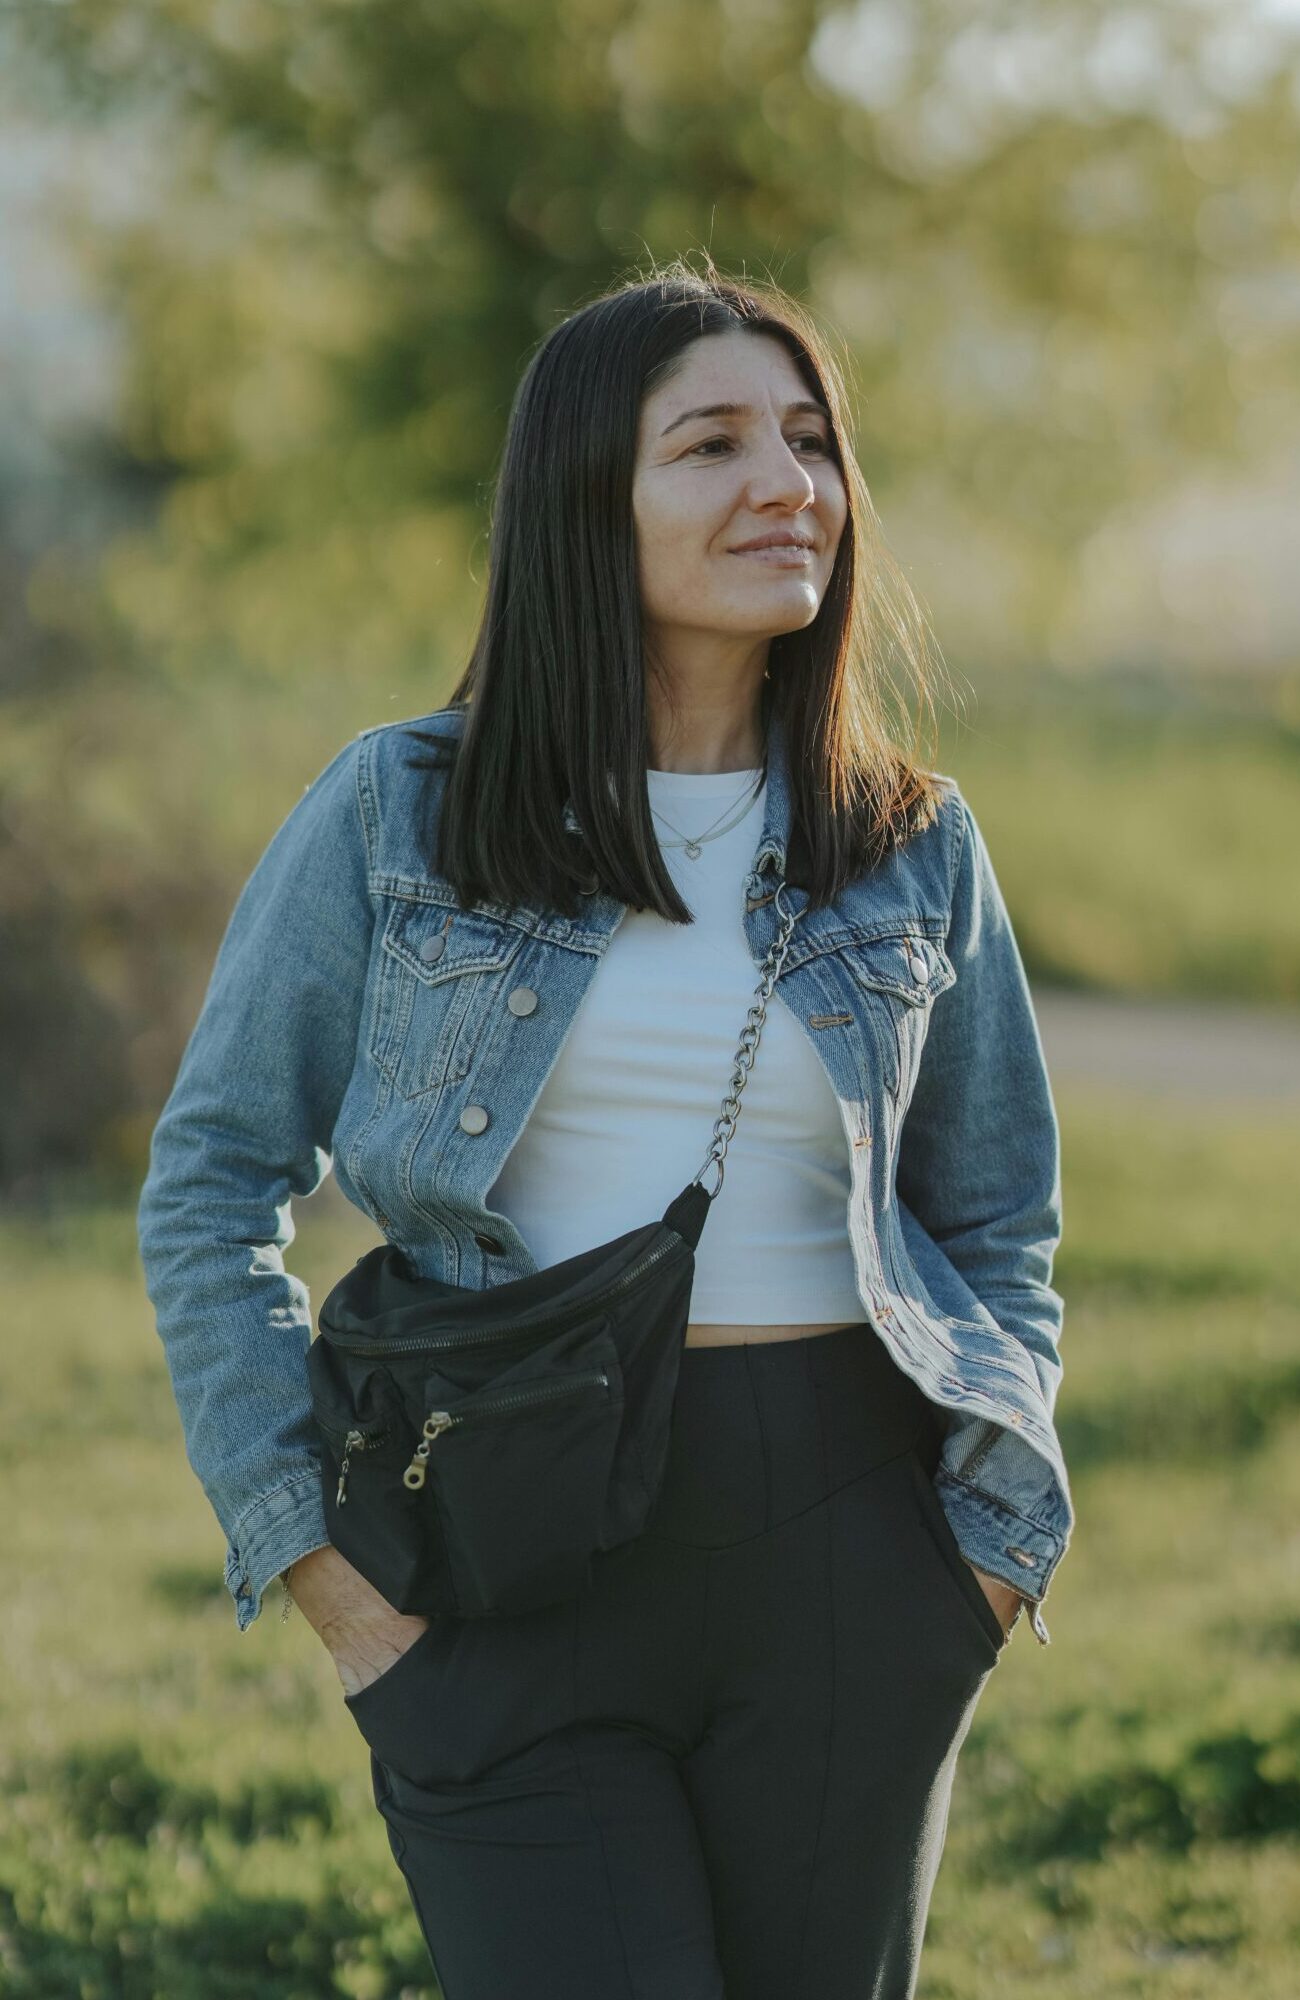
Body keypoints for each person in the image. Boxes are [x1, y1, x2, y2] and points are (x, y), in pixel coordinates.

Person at [138, 257, 1073, 1999]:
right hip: (499, 1543)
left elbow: (998, 1215)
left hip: (850, 1546)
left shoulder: (911, 841)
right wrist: (321, 1565)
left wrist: (976, 1579)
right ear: (584, 500)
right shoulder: (402, 810)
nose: (786, 483)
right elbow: (211, 1186)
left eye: (810, 440)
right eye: (711, 444)